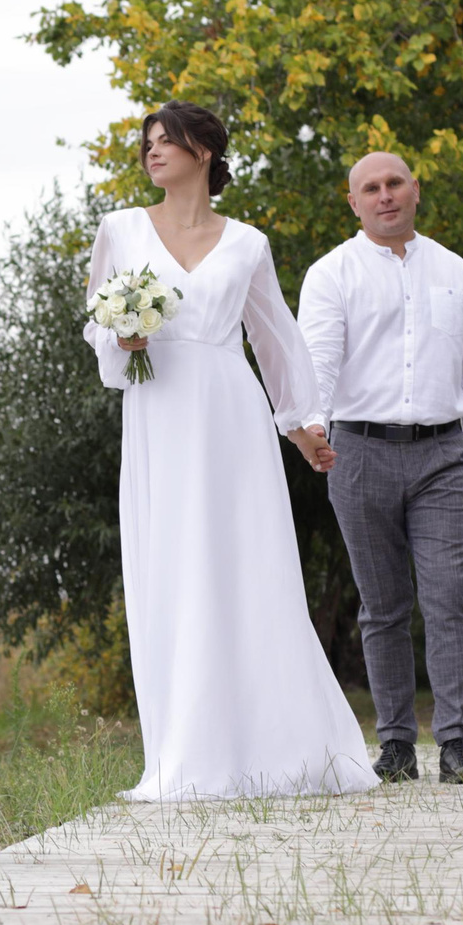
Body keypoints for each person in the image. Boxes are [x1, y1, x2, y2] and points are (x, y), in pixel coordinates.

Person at [83, 102, 377, 800]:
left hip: (231, 414)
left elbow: (273, 335)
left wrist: (301, 423)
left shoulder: (247, 241)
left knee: (247, 566)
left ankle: (280, 748)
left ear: (205, 150)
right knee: (173, 567)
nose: (153, 151)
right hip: (159, 414)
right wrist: (121, 340)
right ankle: (188, 752)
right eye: (147, 142)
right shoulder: (119, 229)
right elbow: (96, 325)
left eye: (167, 140)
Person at [297, 151, 463, 785]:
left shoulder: (455, 271)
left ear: (415, 191)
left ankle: (456, 745)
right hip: (358, 453)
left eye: (395, 183)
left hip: (445, 454)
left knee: (448, 597)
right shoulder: (331, 274)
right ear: (354, 202)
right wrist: (313, 425)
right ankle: (395, 745)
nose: (385, 195)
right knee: (383, 605)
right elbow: (319, 361)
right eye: (371, 188)